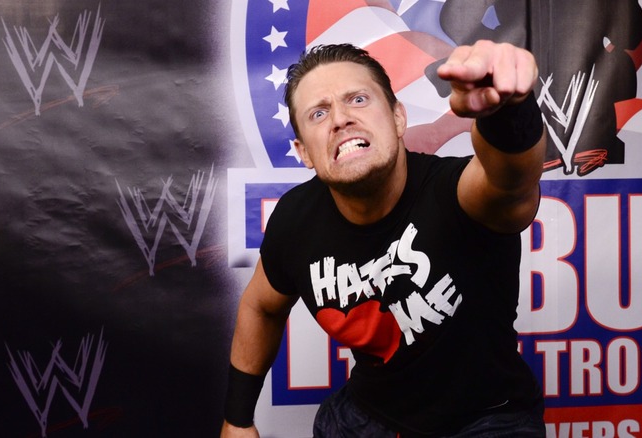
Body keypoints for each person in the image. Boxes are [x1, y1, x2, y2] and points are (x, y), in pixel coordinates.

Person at [222, 39, 547, 437]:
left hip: (487, 416)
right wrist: (237, 419)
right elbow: (261, 307)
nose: (340, 119)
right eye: (319, 113)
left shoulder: (457, 195)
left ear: (397, 118)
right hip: (368, 413)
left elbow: (511, 179)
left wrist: (506, 110)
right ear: (304, 152)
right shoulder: (295, 221)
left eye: (358, 99)